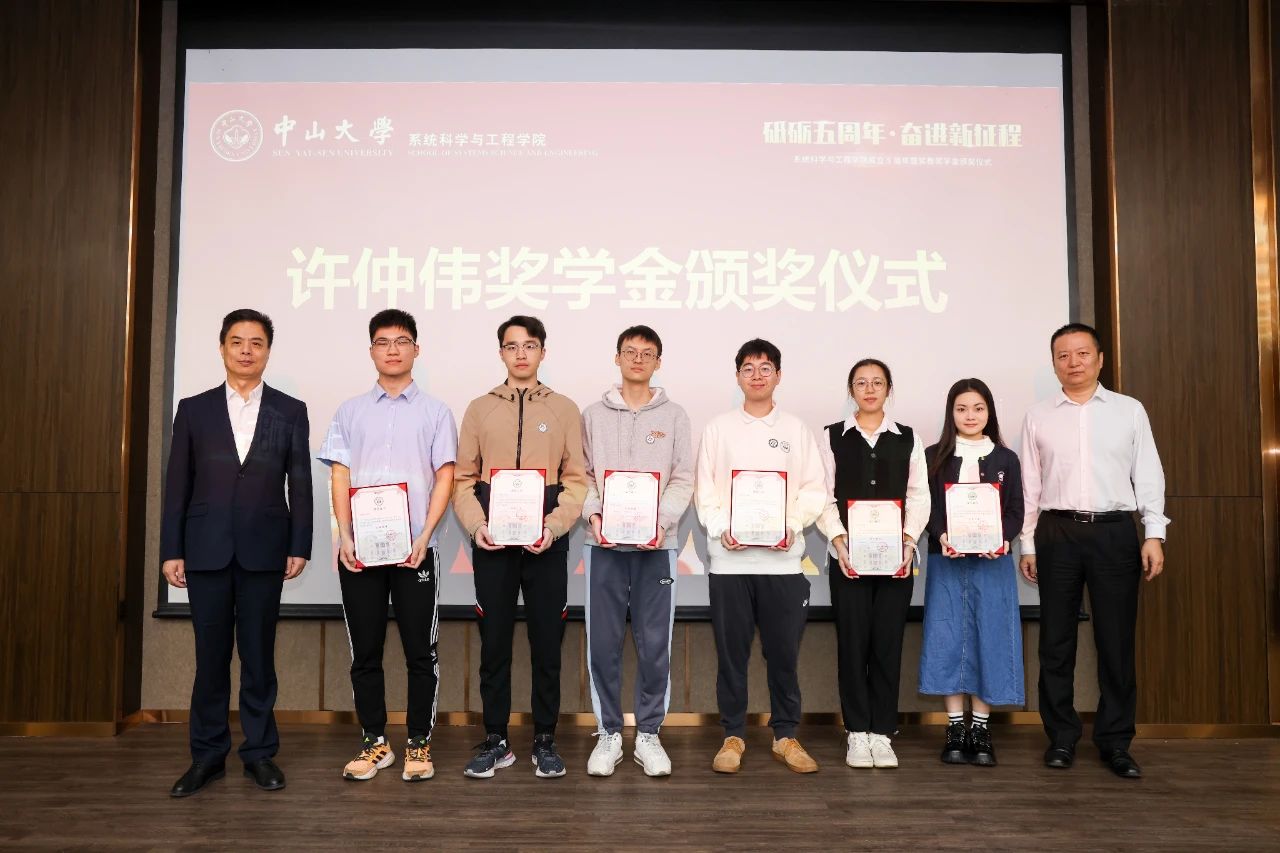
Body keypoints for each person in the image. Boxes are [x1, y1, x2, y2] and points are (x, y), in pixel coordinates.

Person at [161, 309, 313, 797]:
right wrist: (171, 549)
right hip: (204, 550)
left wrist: (300, 544)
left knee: (258, 657)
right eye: (237, 341)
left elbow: (300, 483)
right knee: (210, 659)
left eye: (256, 343)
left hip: (265, 550)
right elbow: (177, 484)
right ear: (222, 348)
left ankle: (259, 753)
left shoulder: (290, 410)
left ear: (268, 351)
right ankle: (206, 757)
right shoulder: (194, 409)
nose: (246, 350)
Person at [1019, 322, 1168, 779]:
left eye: (1082, 353)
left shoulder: (1129, 411)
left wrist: (1154, 533)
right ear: (1054, 364)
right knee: (1055, 642)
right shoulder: (1038, 415)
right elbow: (1029, 485)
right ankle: (1061, 738)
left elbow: (1148, 473)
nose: (1074, 362)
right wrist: (1028, 543)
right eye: (1063, 355)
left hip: (1114, 533)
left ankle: (1115, 742)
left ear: (1100, 359)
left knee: (1116, 642)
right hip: (1057, 533)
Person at [317, 309, 457, 783]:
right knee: (365, 652)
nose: (392, 350)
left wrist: (425, 535)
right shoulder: (349, 411)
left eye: (402, 341)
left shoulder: (436, 412)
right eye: (383, 342)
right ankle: (375, 742)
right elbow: (340, 475)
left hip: (415, 551)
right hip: (361, 553)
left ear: (417, 349)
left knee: (421, 652)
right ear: (371, 350)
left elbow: (445, 476)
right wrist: (345, 535)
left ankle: (418, 743)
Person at [452, 315, 587, 779]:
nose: (521, 354)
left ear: (543, 352)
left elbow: (576, 480)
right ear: (501, 353)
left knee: (547, 643)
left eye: (530, 345)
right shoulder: (479, 409)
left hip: (546, 541)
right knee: (494, 646)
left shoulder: (564, 409)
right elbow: (463, 479)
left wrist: (554, 526)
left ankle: (545, 739)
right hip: (493, 542)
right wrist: (477, 526)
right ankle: (496, 739)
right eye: (512, 346)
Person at [695, 338, 835, 775]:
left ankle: (785, 735)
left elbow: (814, 489)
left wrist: (790, 526)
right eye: (748, 368)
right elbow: (705, 491)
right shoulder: (718, 428)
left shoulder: (795, 429)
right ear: (738, 376)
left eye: (765, 367)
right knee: (731, 656)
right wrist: (722, 528)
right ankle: (732, 735)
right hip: (730, 564)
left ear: (778, 375)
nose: (757, 375)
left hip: (783, 564)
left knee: (783, 656)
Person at [581, 325, 694, 778]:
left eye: (647, 353)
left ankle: (648, 733)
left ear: (658, 362)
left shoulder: (676, 416)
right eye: (630, 351)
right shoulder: (593, 415)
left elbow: (683, 478)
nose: (638, 359)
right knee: (603, 645)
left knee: (655, 646)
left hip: (657, 548)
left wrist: (660, 522)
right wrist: (594, 516)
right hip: (603, 548)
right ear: (617, 357)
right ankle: (608, 733)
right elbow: (582, 474)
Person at [818, 358, 930, 769]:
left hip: (896, 561)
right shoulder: (832, 436)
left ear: (888, 389)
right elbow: (822, 495)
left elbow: (919, 495)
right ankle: (856, 732)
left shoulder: (908, 438)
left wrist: (908, 541)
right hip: (848, 560)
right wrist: (839, 541)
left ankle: (882, 733)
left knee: (887, 643)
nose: (869, 389)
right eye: (861, 383)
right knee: (852, 645)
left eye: (877, 382)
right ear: (851, 390)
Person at [919, 379, 1024, 767]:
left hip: (993, 564)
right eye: (961, 409)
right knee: (947, 637)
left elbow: (1016, 510)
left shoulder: (1006, 459)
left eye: (978, 408)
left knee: (990, 638)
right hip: (947, 561)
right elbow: (926, 507)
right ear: (951, 413)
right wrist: (941, 534)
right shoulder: (933, 456)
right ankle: (954, 728)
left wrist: (1003, 538)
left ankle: (980, 729)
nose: (970, 416)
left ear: (989, 412)